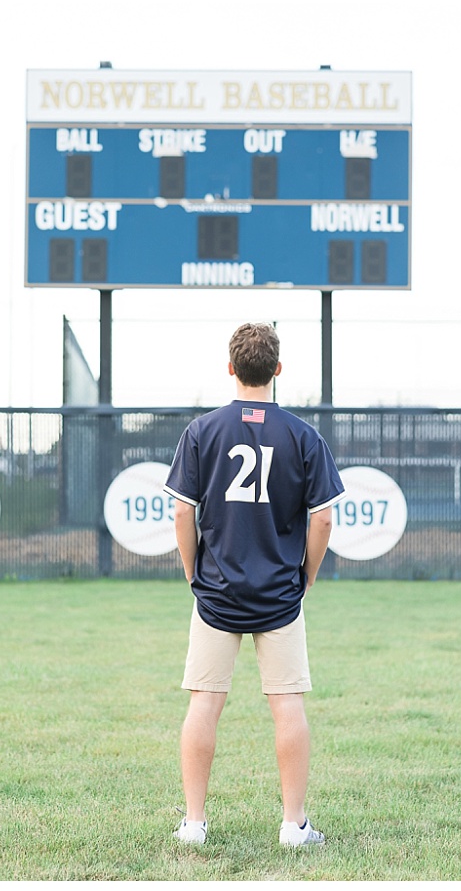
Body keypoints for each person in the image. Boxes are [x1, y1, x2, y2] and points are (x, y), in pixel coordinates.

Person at [162, 322, 344, 848]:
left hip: (215, 593)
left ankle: (194, 825)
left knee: (204, 703)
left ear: (230, 367)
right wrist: (305, 577)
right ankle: (294, 826)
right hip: (280, 596)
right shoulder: (303, 436)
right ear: (278, 370)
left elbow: (181, 510)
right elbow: (324, 520)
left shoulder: (201, 431)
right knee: (287, 704)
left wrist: (194, 571)